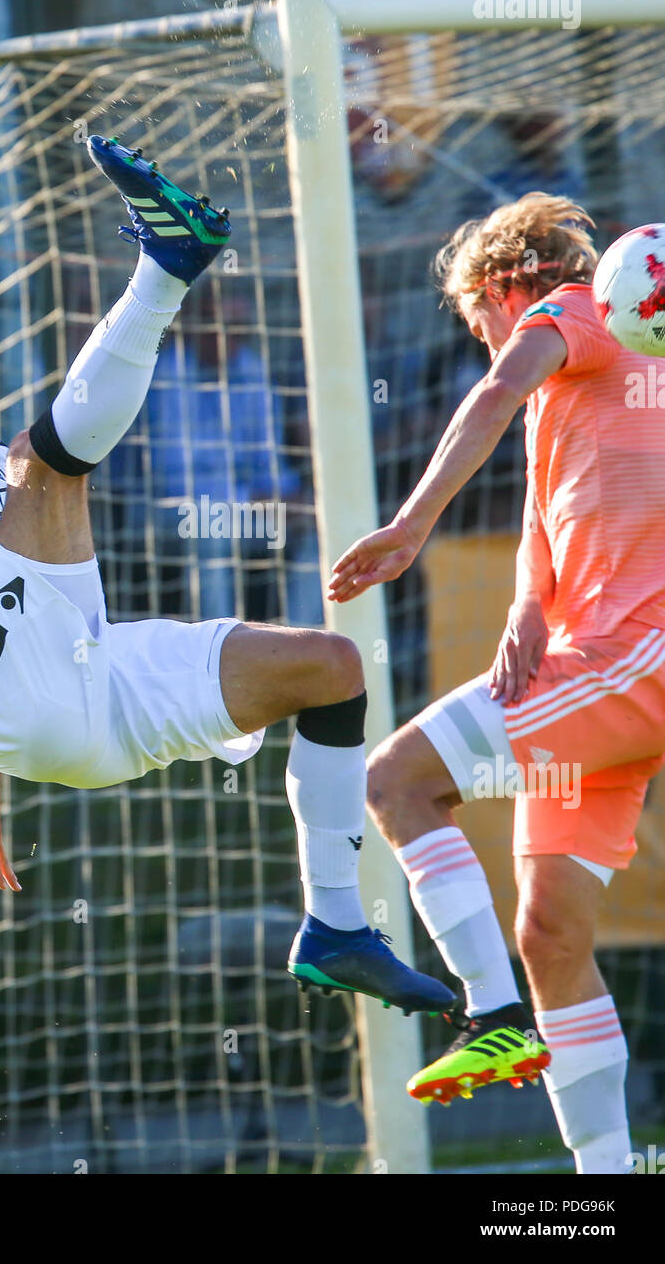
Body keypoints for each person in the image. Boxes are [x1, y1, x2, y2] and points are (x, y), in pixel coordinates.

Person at [0, 136, 452, 1017]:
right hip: (4, 701)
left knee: (331, 667)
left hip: (80, 691)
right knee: (46, 462)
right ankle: (167, 265)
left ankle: (336, 927)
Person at [329, 192, 665, 1172]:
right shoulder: (614, 354)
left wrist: (407, 525)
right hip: (601, 670)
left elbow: (489, 398)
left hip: (629, 658)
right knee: (548, 928)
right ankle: (603, 1183)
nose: (483, 341)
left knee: (394, 781)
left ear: (496, 285)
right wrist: (527, 603)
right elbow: (552, 498)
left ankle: (488, 1016)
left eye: (472, 317)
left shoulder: (564, 314)